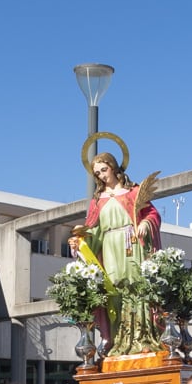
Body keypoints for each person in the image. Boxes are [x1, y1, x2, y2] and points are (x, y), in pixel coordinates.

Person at [69, 147, 161, 355]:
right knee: (114, 289)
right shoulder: (98, 200)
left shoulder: (133, 192)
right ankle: (118, 339)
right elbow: (92, 229)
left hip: (132, 244)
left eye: (104, 169)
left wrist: (146, 222)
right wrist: (80, 241)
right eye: (97, 173)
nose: (102, 175)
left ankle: (142, 336)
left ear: (113, 167)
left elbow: (152, 213)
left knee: (136, 287)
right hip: (109, 248)